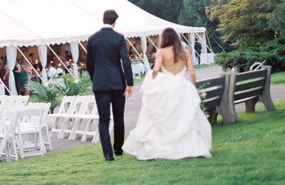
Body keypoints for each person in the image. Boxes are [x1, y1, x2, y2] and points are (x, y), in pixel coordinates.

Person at [122, 28, 212, 160]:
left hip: (167, 88)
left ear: (164, 38)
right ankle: (191, 147)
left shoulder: (161, 52)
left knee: (164, 117)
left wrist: (151, 78)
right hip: (182, 87)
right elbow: (192, 73)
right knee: (184, 118)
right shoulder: (185, 52)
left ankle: (162, 148)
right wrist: (192, 87)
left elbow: (156, 70)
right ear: (176, 37)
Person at [86, 9, 133, 162]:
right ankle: (118, 148)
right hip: (117, 83)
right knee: (119, 117)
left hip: (100, 85)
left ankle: (108, 154)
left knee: (103, 119)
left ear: (103, 19)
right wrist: (130, 83)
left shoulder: (92, 39)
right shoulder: (118, 38)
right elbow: (125, 61)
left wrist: (96, 79)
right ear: (115, 22)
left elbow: (89, 64)